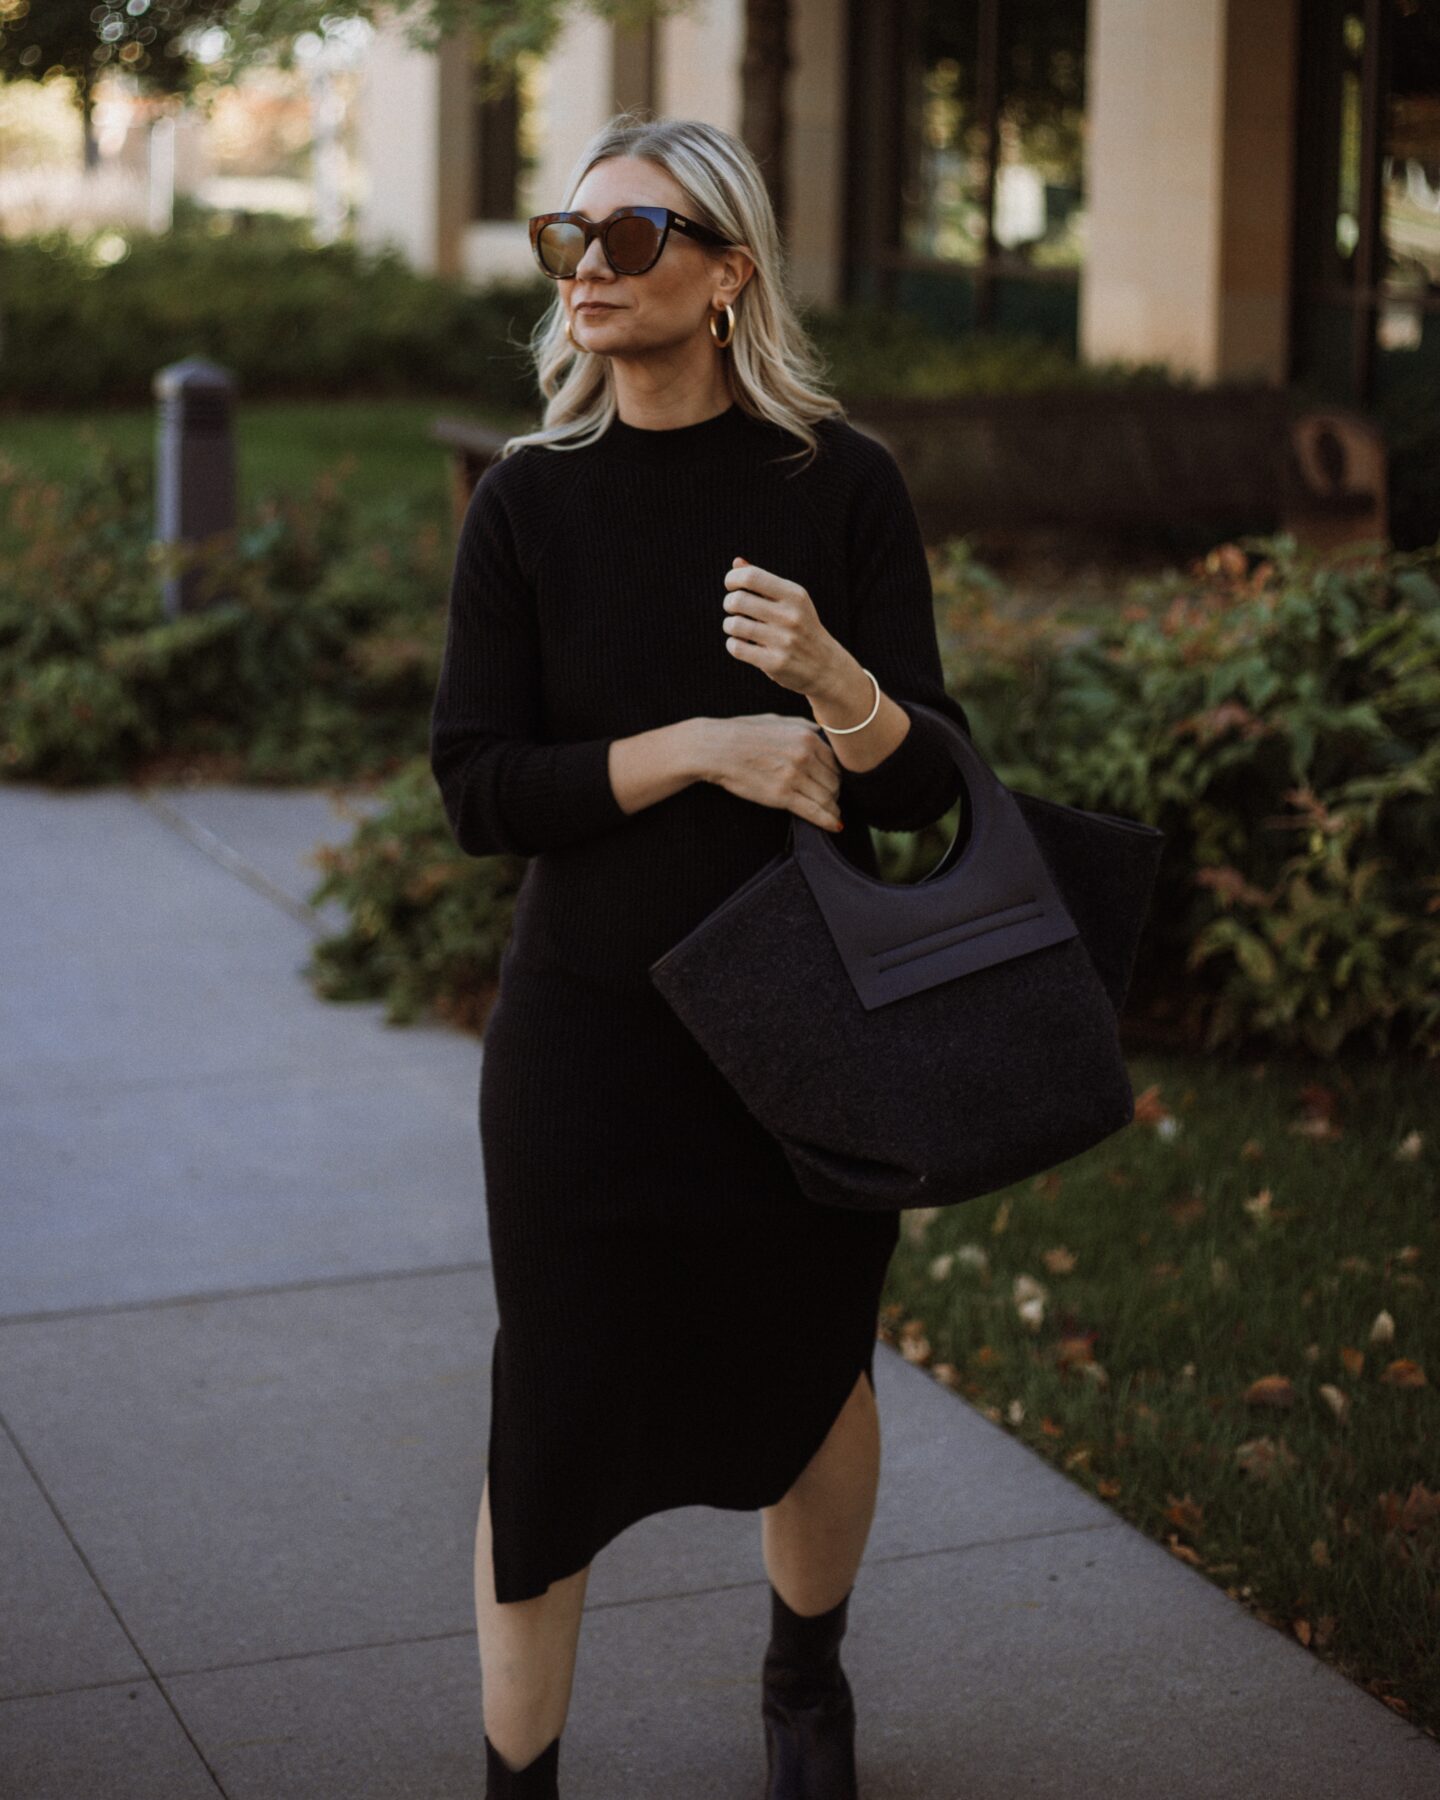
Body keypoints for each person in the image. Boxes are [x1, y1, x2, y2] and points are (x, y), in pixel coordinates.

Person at [429, 109, 973, 1800]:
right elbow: (477, 787)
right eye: (568, 236)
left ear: (730, 271)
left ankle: (806, 1690)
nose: (590, 266)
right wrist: (700, 746)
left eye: (635, 237)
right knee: (557, 1403)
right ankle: (522, 1777)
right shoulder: (530, 502)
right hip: (590, 1036)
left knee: (810, 1374)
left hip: (802, 1026)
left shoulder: (841, 484)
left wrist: (830, 682)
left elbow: (930, 791)